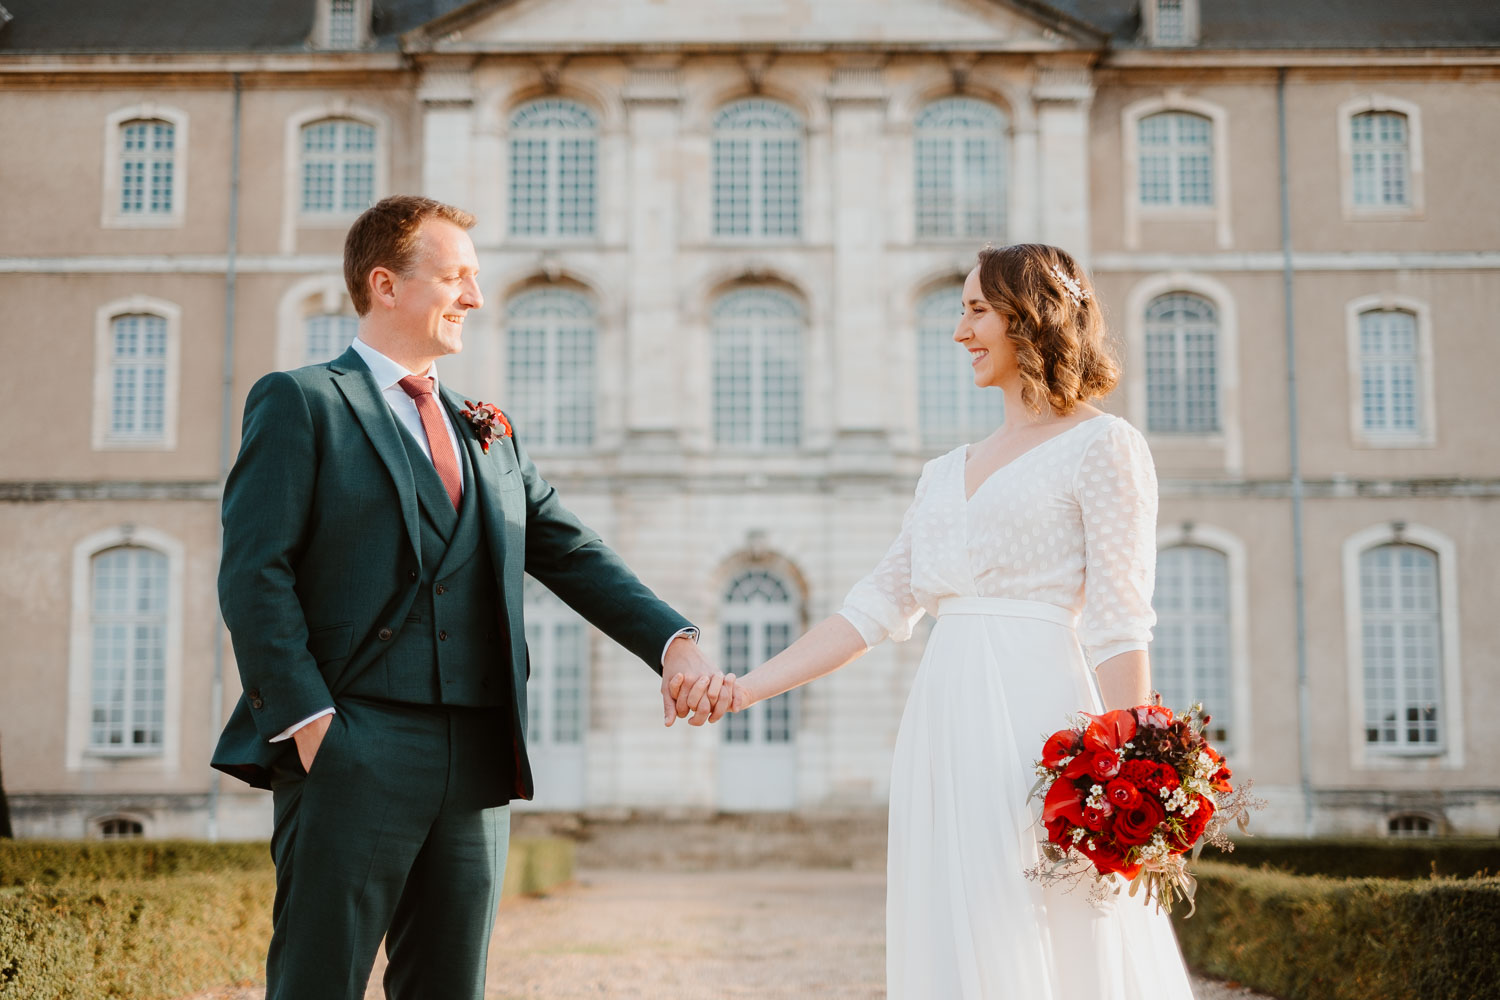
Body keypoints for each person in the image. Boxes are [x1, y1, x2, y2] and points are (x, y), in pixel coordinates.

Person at [211, 195, 730, 1000]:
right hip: (353, 739)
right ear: (386, 284)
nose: (475, 299)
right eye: (456, 278)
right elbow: (254, 574)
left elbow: (571, 550)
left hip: (479, 751)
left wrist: (674, 641)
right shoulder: (302, 401)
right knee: (319, 983)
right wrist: (312, 725)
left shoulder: (485, 427)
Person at [688, 244, 1196, 998]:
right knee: (959, 922)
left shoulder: (1105, 446)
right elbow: (869, 609)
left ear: (1034, 317)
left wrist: (1139, 773)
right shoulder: (942, 473)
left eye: (976, 310)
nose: (959, 331)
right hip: (944, 722)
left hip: (1044, 721)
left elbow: (1121, 622)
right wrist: (741, 689)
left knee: (1056, 917)